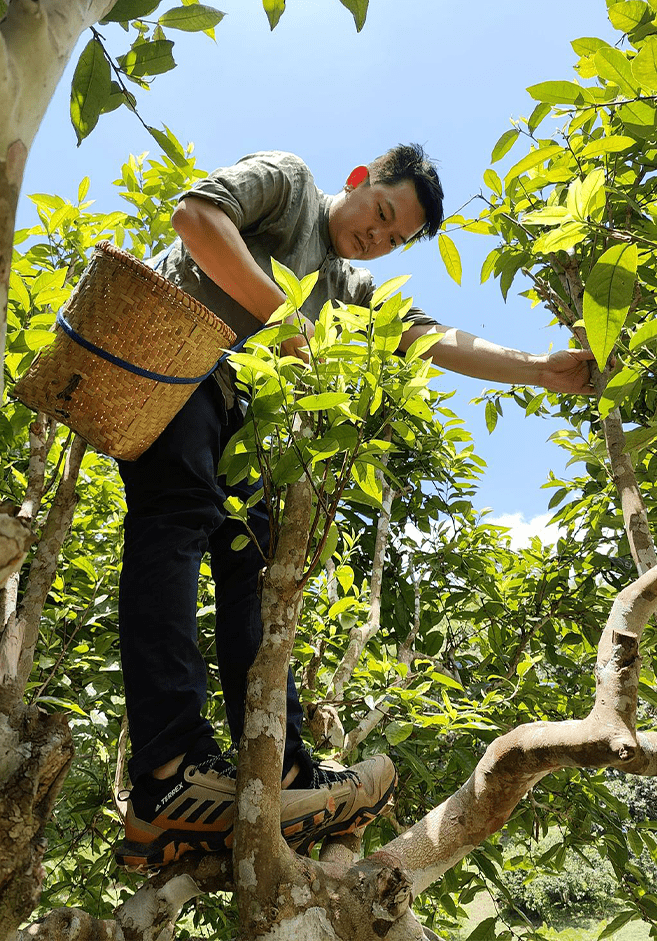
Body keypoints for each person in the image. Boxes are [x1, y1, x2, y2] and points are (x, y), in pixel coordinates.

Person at [114, 147, 593, 871]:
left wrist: (537, 369)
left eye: (395, 239)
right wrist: (285, 321)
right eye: (382, 213)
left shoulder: (350, 288)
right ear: (362, 180)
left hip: (241, 420)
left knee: (260, 569)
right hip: (175, 361)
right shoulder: (291, 185)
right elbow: (197, 218)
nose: (377, 236)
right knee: (175, 520)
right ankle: (167, 770)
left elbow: (429, 337)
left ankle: (283, 772)